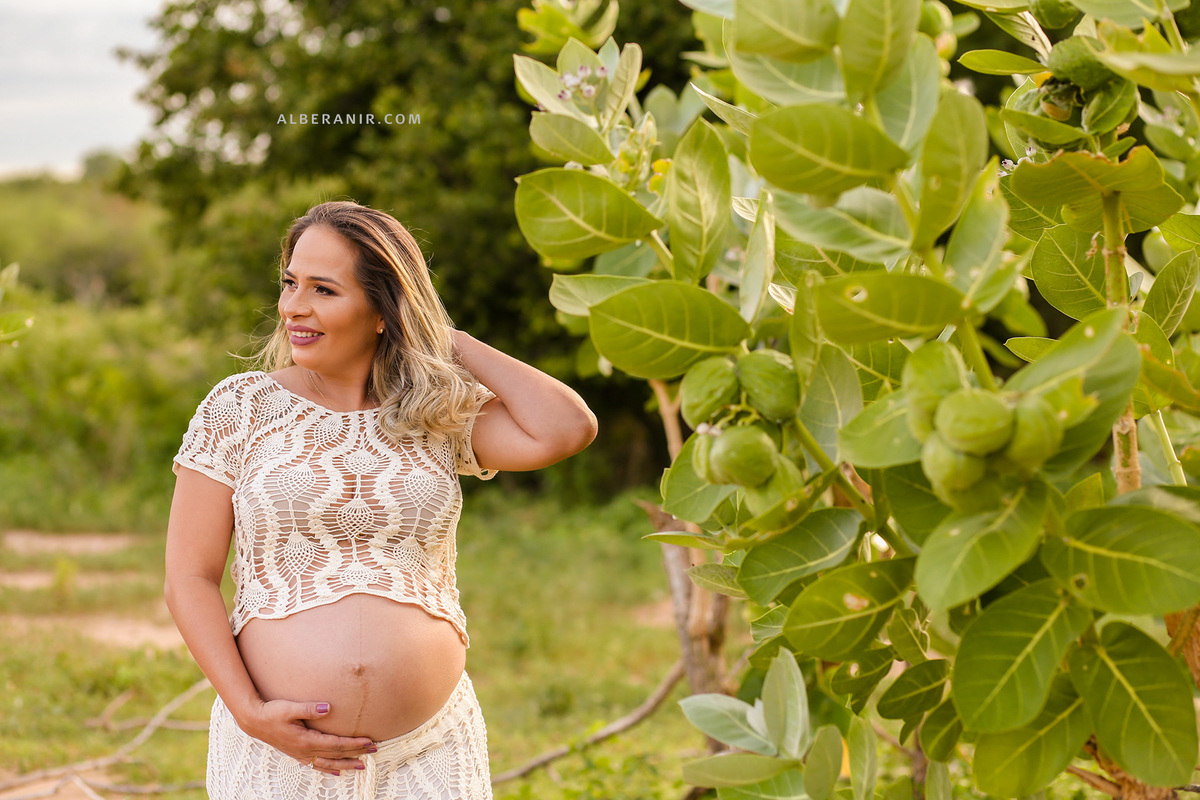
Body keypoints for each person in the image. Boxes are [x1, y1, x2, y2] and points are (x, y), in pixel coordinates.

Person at [164, 200, 598, 800]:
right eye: (290, 282)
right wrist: (247, 711)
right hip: (278, 750)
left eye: (323, 289)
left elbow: (566, 429)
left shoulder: (436, 412)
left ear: (382, 310)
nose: (294, 307)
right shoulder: (240, 408)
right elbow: (189, 577)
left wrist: (441, 338)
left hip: (431, 748)